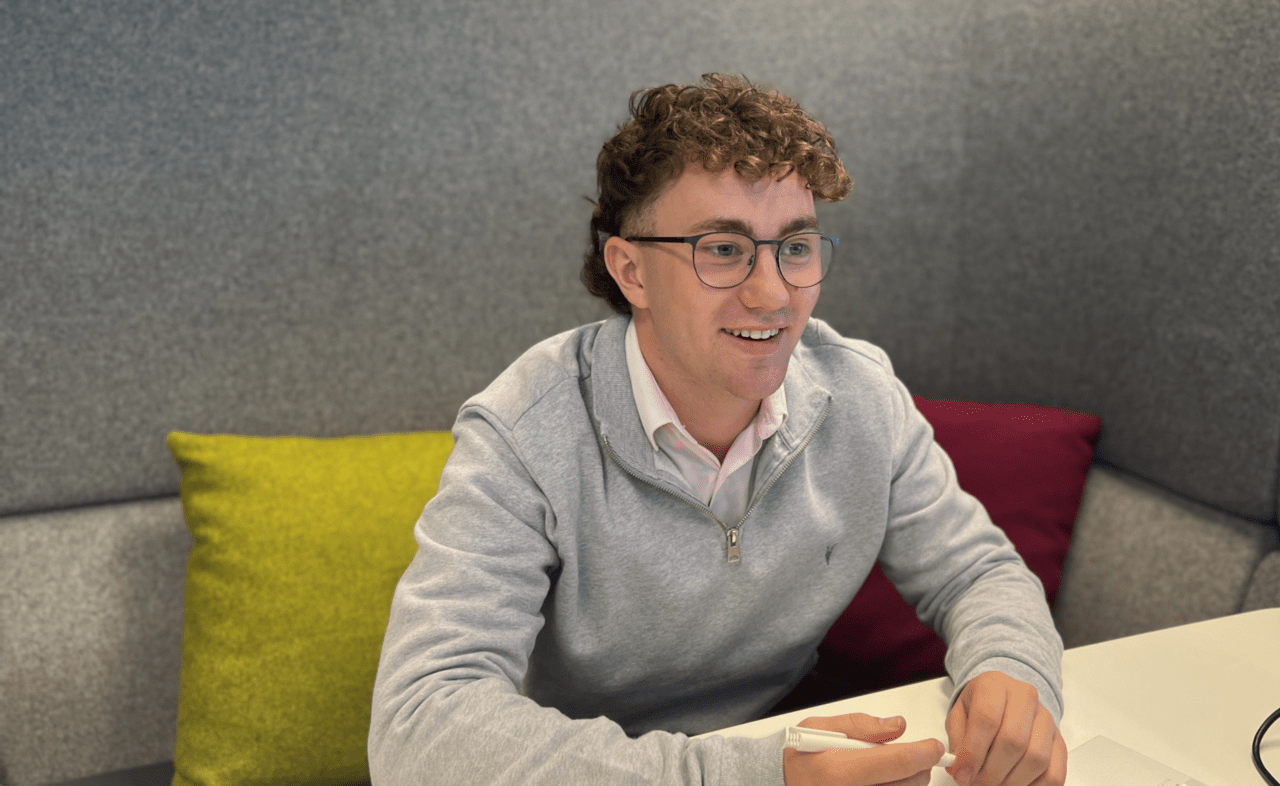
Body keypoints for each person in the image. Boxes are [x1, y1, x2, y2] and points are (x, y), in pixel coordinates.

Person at [368, 74, 1066, 786]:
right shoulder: (525, 432)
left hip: (774, 742)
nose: (772, 296)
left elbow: (979, 572)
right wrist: (743, 776)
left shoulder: (859, 394)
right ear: (631, 271)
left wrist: (1010, 670)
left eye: (794, 248)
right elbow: (419, 724)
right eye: (723, 249)